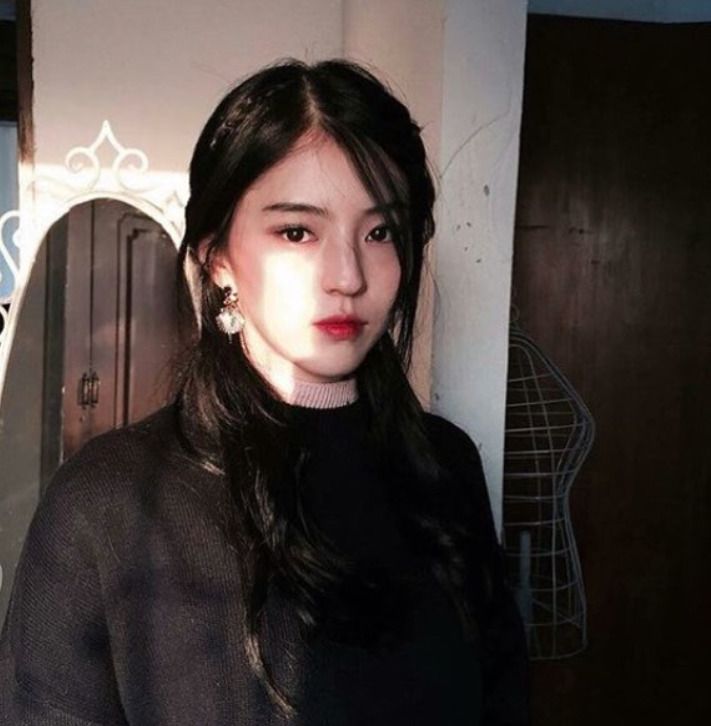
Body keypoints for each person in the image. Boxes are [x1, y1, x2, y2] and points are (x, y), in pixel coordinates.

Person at [0, 59, 528, 724]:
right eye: (297, 231)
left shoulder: (445, 466)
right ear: (217, 256)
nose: (347, 276)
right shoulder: (105, 504)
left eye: (380, 232)